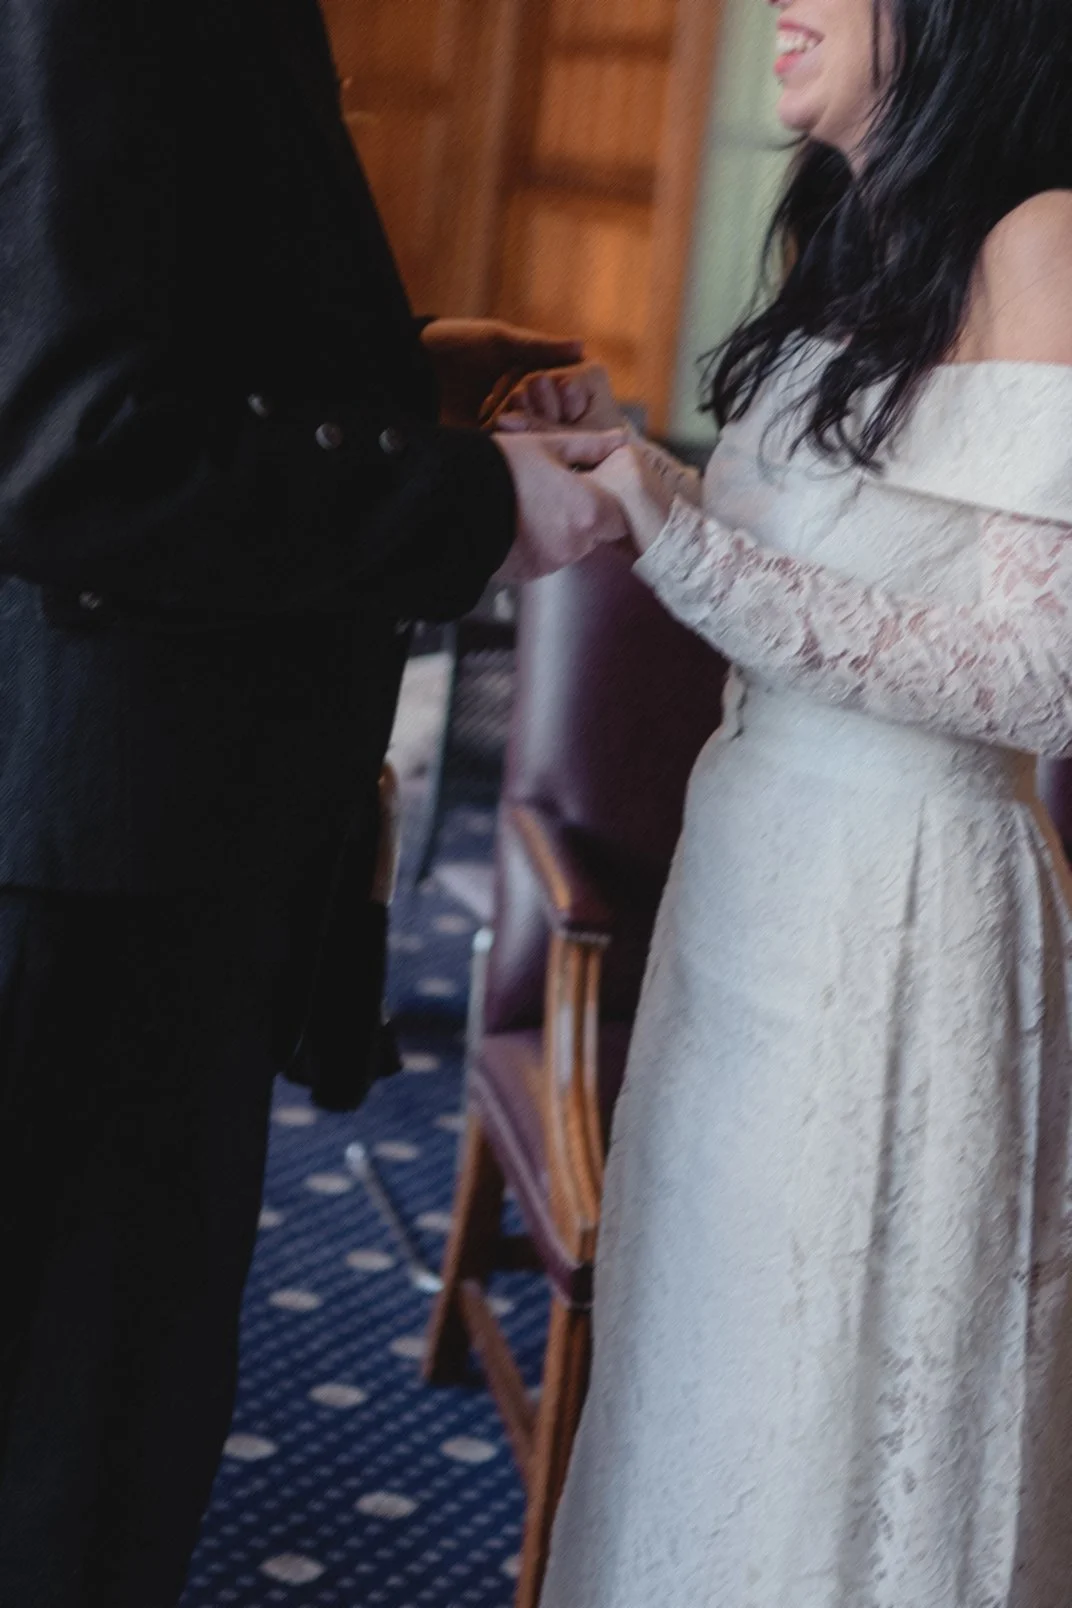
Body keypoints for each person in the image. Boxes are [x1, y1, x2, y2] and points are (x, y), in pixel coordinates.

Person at [0, 1, 627, 1603]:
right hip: (93, 860)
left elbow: (150, 318)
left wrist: (403, 377)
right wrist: (468, 500)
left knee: (130, 1410)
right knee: (82, 1443)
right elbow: (68, 454)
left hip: (161, 841)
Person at [503, 0, 1072, 1601]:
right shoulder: (856, 230)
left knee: (838, 1411)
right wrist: (634, 470)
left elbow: (1045, 679)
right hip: (746, 883)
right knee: (711, 1380)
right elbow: (821, 564)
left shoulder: (1045, 241)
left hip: (899, 920)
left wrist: (678, 541)